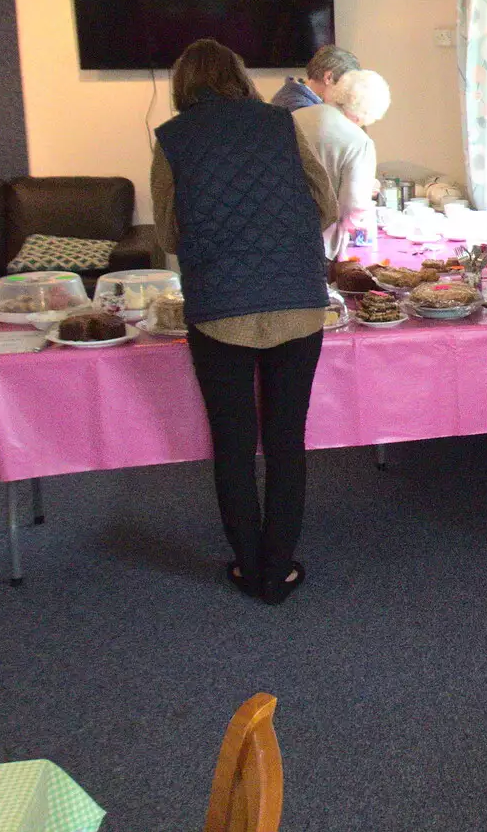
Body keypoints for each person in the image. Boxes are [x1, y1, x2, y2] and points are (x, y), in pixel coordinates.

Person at [152, 39, 337, 604]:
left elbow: (167, 234)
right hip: (297, 302)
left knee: (233, 446)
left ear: (184, 84)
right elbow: (324, 205)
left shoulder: (173, 139)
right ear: (239, 76)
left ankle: (247, 563)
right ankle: (277, 571)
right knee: (287, 443)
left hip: (219, 312)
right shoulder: (280, 125)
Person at [292, 69, 391, 258]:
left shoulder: (295, 116)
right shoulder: (358, 141)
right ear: (365, 115)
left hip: (277, 228)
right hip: (319, 240)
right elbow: (355, 205)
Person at [270, 45, 360, 112]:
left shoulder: (292, 93)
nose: (345, 95)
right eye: (345, 86)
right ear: (328, 77)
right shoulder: (301, 109)